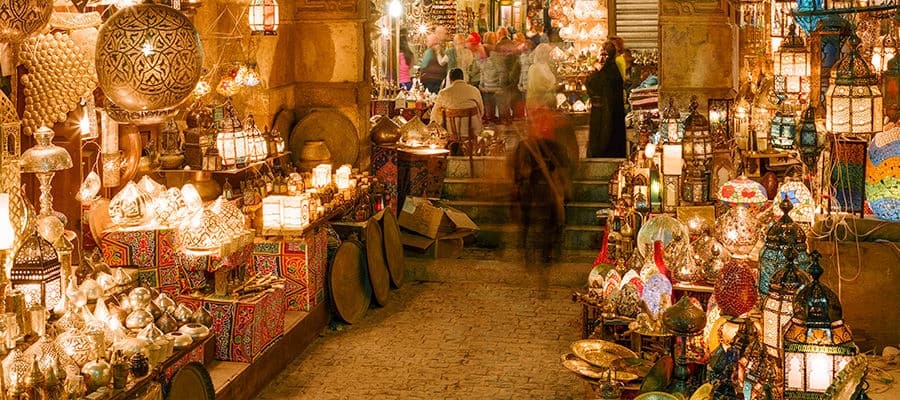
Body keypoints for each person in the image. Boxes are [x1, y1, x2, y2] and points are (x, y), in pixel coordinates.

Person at [586, 41, 627, 158]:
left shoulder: (606, 72)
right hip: (610, 111)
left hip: (605, 112)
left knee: (605, 139)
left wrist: (594, 72)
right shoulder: (612, 70)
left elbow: (593, 84)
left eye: (603, 54)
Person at [431, 68, 485, 150]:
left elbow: (435, 115)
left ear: (450, 79)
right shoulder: (474, 90)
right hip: (472, 130)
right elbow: (481, 111)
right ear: (463, 77)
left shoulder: (444, 93)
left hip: (452, 132)